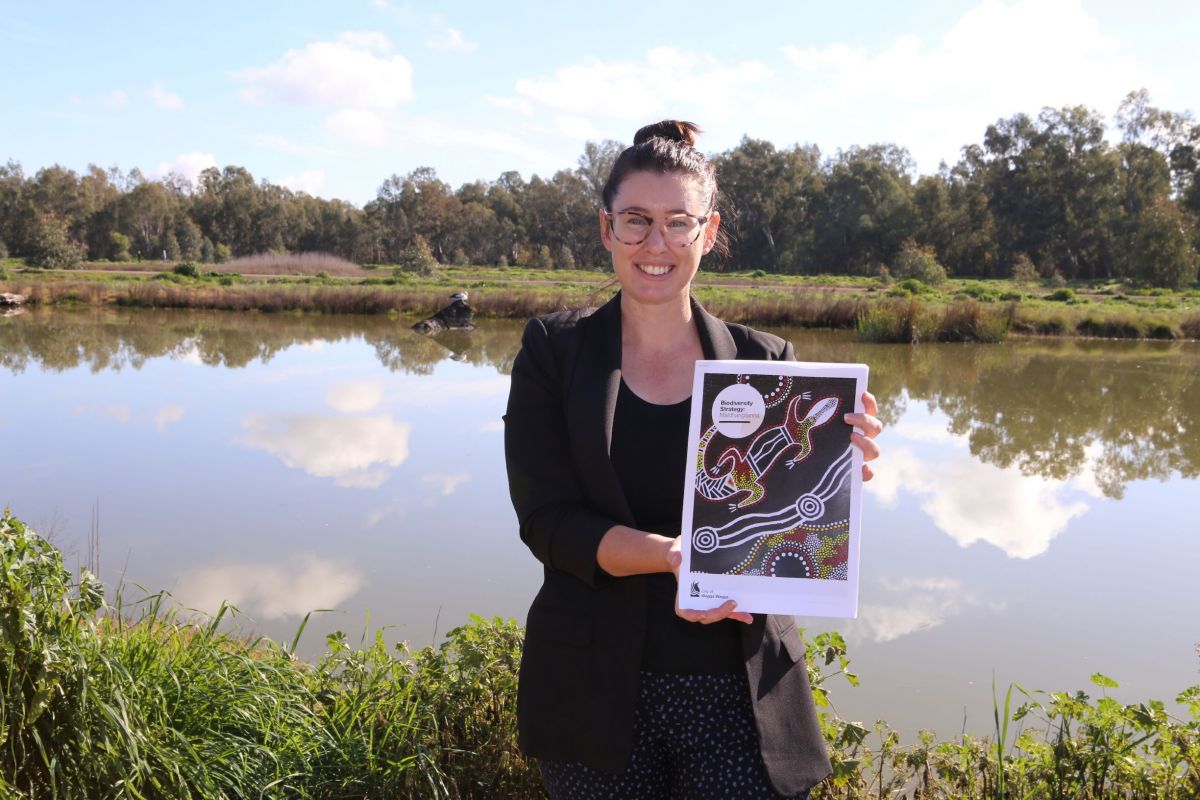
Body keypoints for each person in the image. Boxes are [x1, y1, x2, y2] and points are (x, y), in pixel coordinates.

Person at [504, 120, 882, 799]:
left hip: (740, 695)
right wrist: (675, 556)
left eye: (679, 222)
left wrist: (836, 475)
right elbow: (548, 523)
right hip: (592, 691)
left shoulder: (769, 363)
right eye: (636, 221)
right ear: (606, 229)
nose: (657, 244)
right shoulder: (553, 354)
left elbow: (789, 524)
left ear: (708, 233)